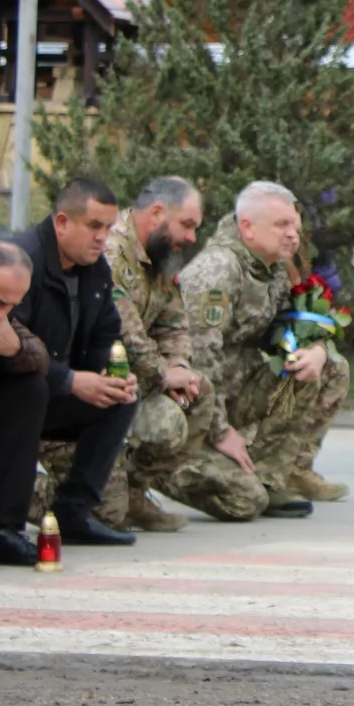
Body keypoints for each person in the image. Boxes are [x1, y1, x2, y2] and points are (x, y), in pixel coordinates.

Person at [169, 182, 352, 521]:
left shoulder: (270, 268)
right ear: (247, 227)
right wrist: (220, 432)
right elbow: (198, 364)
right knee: (244, 503)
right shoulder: (218, 271)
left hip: (235, 392)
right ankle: (167, 469)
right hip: (191, 412)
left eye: (295, 227)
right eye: (281, 225)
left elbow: (285, 329)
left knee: (326, 368)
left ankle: (274, 474)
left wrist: (318, 351)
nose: (292, 235)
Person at [11, 178, 139, 546]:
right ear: (63, 222)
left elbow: (106, 332)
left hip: (56, 391)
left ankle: (74, 511)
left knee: (122, 398)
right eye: (94, 226)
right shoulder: (23, 262)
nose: (102, 238)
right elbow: (10, 350)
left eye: (109, 228)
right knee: (30, 390)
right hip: (12, 394)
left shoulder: (95, 269)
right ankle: (7, 524)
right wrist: (70, 380)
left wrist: (109, 375)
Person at [95, 176, 212, 532]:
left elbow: (173, 323)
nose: (192, 238)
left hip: (136, 380)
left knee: (199, 394)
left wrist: (178, 365)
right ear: (158, 213)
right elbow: (123, 330)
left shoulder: (160, 257)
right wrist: (163, 375)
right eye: (187, 225)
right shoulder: (112, 251)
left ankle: (134, 491)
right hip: (97, 382)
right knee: (105, 516)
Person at [0, 240, 52, 565]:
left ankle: (4, 528)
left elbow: (41, 358)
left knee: (30, 389)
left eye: (11, 305)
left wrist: (15, 349)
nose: (2, 313)